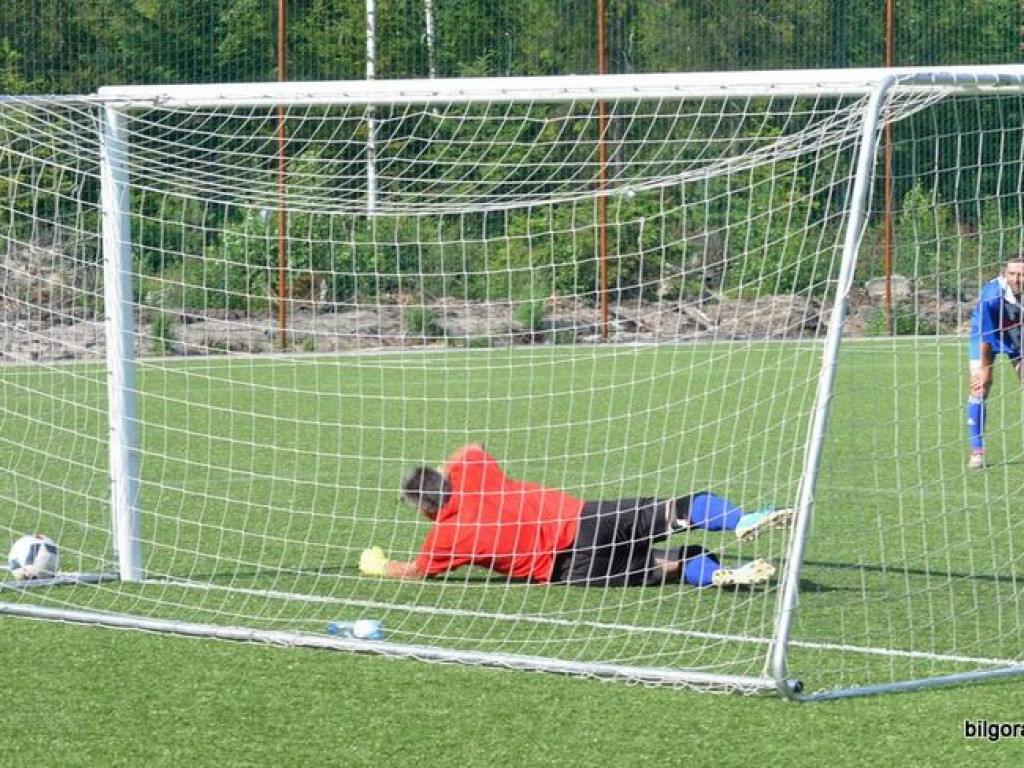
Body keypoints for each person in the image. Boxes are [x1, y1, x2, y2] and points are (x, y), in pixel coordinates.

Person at [359, 443, 793, 588]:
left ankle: (718, 574)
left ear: (425, 509)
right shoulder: (472, 471)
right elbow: (471, 447)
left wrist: (379, 566)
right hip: (583, 520)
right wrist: (447, 469)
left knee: (672, 565)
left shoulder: (442, 538)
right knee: (677, 510)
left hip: (570, 570)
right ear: (443, 477)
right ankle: (739, 520)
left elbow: (417, 571)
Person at [966, 257, 1024, 469]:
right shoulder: (991, 297)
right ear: (1004, 274)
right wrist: (985, 369)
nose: (1016, 279)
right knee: (980, 386)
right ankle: (977, 452)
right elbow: (986, 336)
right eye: (1012, 274)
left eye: (1021, 275)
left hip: (1016, 335)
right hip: (985, 338)